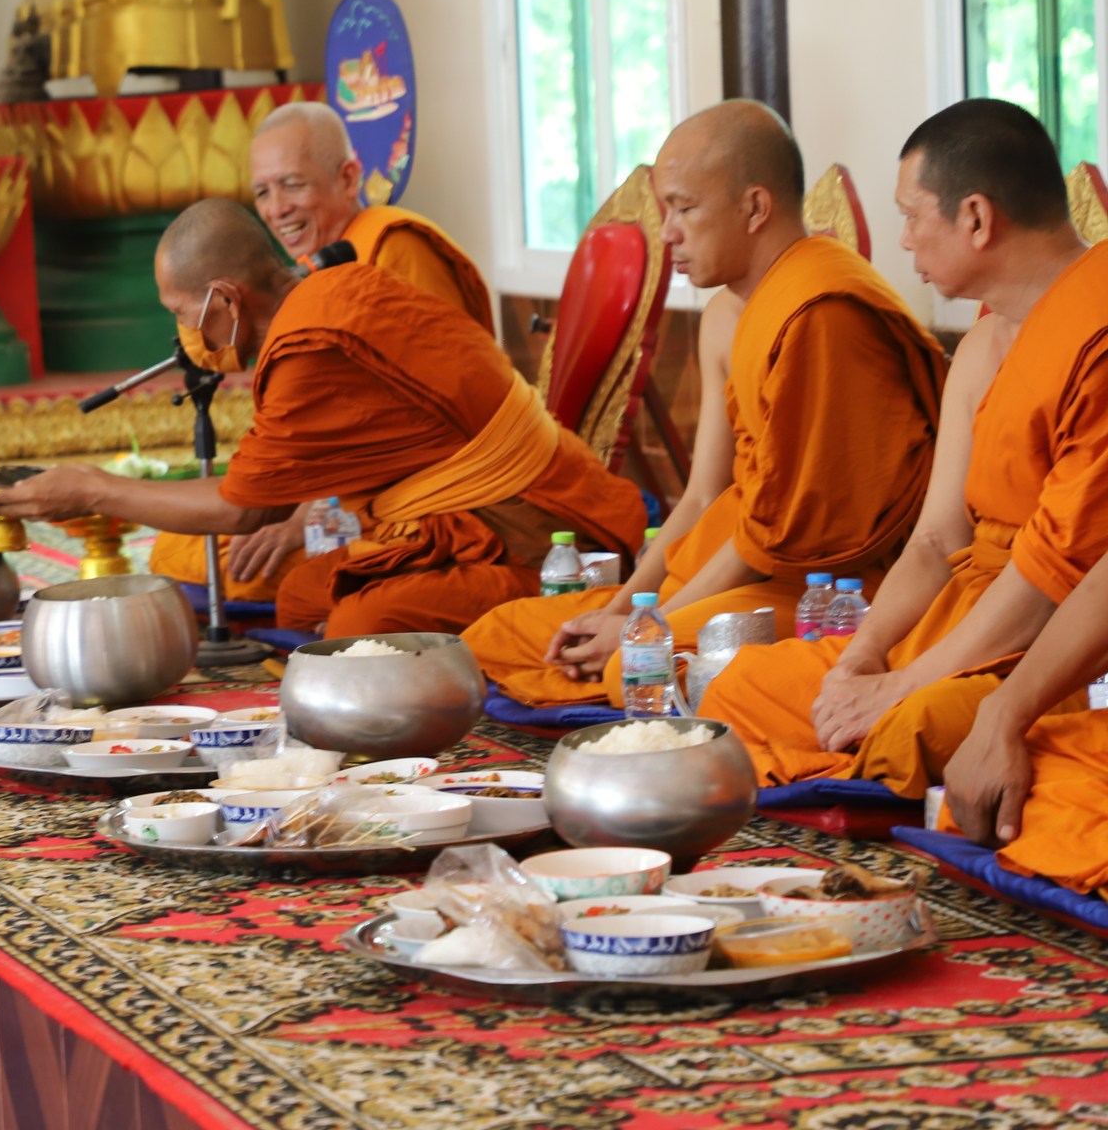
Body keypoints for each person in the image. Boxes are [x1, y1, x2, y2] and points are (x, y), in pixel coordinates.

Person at [463, 101, 947, 709]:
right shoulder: (726, 313)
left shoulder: (820, 314)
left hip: (814, 586)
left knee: (637, 669)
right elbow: (701, 496)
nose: (666, 233)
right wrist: (625, 609)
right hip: (725, 563)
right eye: (667, 210)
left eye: (685, 209)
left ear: (754, 207)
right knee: (499, 634)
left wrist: (651, 626)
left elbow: (781, 533)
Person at [0, 198, 644, 636]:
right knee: (301, 594)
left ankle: (556, 599)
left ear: (225, 299)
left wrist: (94, 488)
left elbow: (243, 509)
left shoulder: (312, 344)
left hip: (537, 530)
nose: (183, 332)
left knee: (353, 630)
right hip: (434, 510)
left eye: (182, 313)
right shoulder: (332, 289)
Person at [700, 99, 1108, 799]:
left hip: (1040, 650)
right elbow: (935, 540)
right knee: (736, 688)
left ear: (976, 218)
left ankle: (874, 774)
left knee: (905, 729)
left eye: (913, 216)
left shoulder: (1094, 331)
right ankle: (860, 771)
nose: (905, 242)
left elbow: (1052, 574)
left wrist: (905, 683)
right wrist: (865, 654)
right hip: (954, 623)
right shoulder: (981, 346)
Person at [147, 101, 495, 608]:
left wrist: (302, 520)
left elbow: (432, 420)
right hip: (352, 500)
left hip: (428, 504)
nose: (276, 208)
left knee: (219, 563)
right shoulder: (312, 276)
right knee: (178, 547)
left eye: (293, 184)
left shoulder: (394, 250)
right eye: (263, 192)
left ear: (348, 177)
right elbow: (224, 357)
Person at [944, 549, 1108, 894]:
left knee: (919, 721)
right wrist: (999, 718)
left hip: (1017, 621)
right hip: (964, 605)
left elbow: (1053, 569)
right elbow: (931, 542)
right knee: (1027, 777)